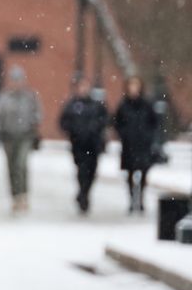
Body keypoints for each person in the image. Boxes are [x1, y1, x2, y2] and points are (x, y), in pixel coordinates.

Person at [0, 65, 43, 213]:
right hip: (8, 137)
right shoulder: (3, 97)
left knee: (21, 164)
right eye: (14, 80)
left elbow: (38, 113)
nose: (16, 83)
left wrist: (34, 123)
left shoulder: (30, 96)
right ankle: (14, 195)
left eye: (19, 79)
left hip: (25, 136)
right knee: (11, 166)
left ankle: (23, 194)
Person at [58, 76, 109, 214]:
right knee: (81, 170)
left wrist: (96, 128)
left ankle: (84, 192)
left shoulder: (97, 105)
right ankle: (83, 193)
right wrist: (74, 130)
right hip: (78, 144)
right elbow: (63, 122)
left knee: (92, 171)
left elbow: (105, 119)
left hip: (93, 144)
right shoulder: (72, 105)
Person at [114, 75, 160, 214]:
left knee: (143, 173)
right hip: (129, 145)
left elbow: (154, 123)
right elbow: (117, 122)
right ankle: (131, 200)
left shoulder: (147, 105)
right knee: (130, 174)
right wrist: (124, 134)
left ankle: (140, 200)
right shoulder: (123, 105)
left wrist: (148, 136)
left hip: (143, 145)